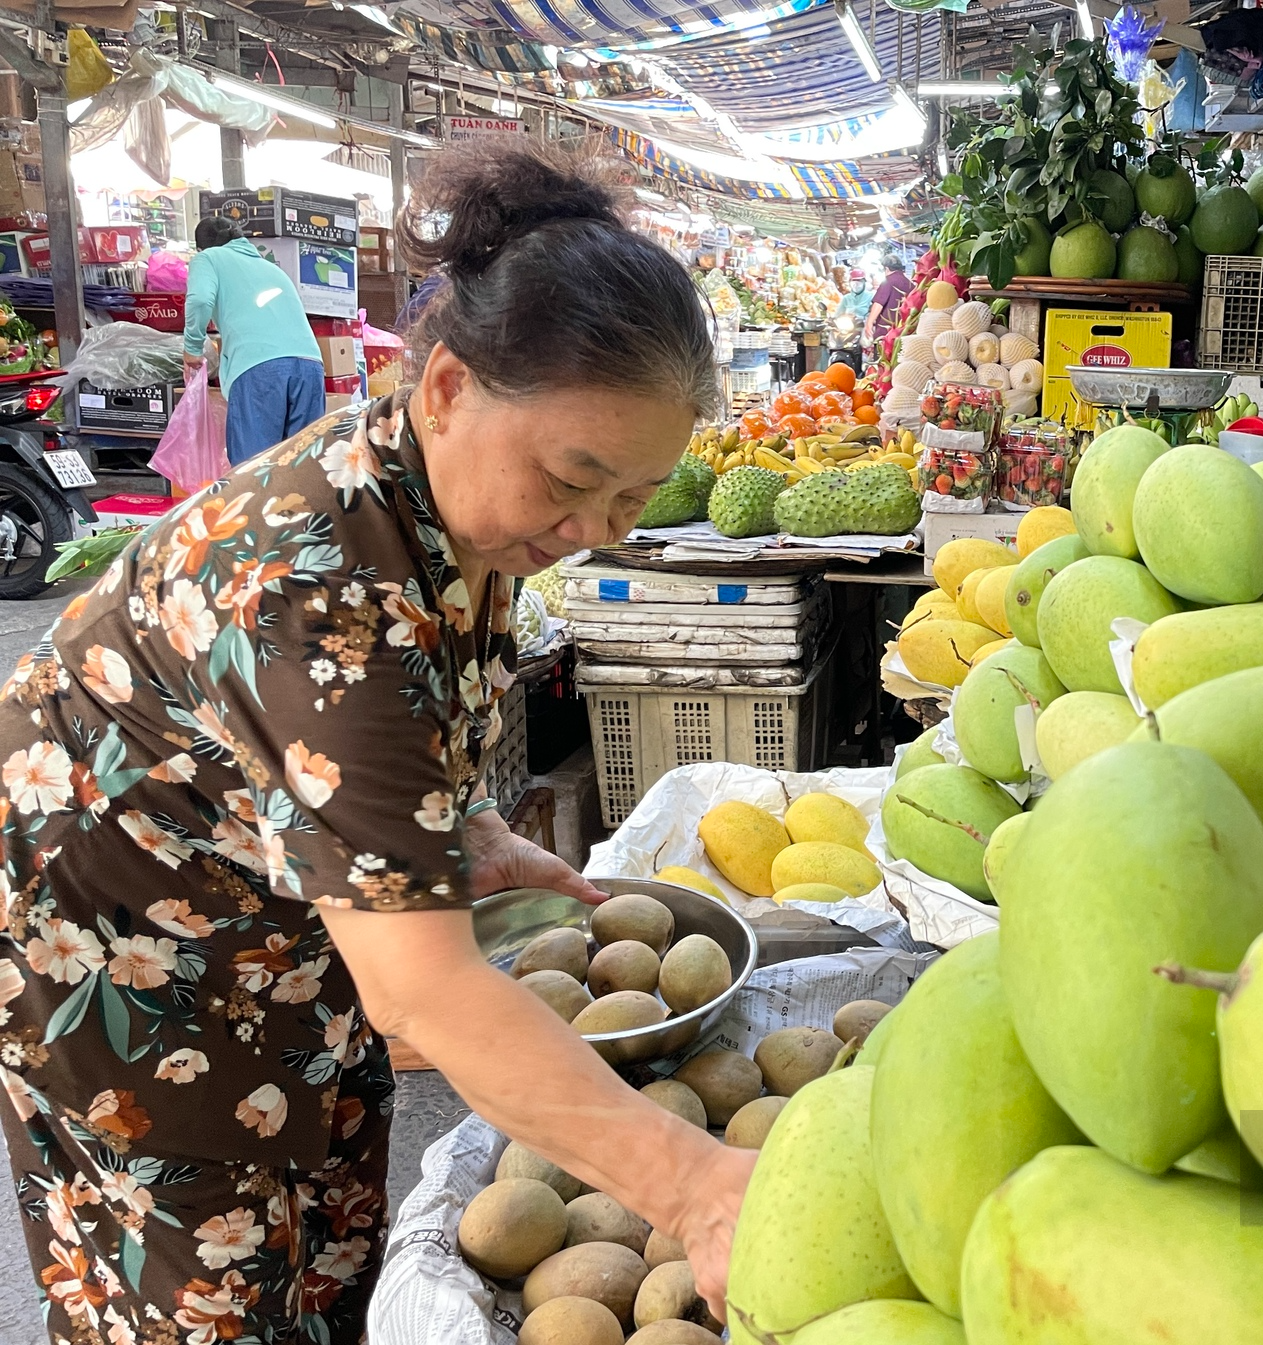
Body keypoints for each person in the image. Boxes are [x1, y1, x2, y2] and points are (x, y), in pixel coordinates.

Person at [0, 141, 752, 1345]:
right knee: (202, 1289)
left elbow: (357, 750)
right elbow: (426, 988)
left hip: (279, 927)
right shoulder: (320, 581)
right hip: (127, 950)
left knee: (322, 1234)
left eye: (633, 498)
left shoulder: (459, 509)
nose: (592, 530)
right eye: (575, 479)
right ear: (447, 388)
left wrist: (461, 833)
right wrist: (699, 1189)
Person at [181, 216, 328, 466]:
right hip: (310, 366)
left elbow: (200, 300)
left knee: (254, 469)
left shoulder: (208, 258)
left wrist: (192, 348)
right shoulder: (271, 268)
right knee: (303, 466)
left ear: (201, 248)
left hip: (260, 367)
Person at [865, 253, 913, 360]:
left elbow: (878, 304)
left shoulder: (888, 281)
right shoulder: (911, 284)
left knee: (882, 366)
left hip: (885, 335)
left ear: (886, 268)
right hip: (906, 334)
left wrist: (869, 322)